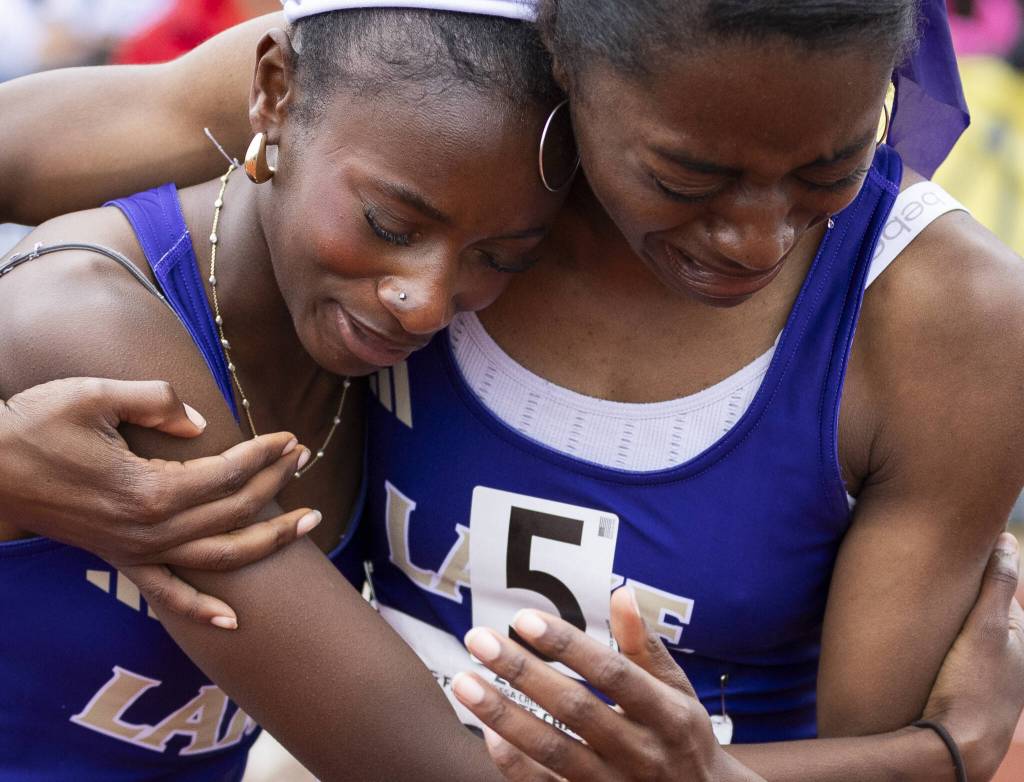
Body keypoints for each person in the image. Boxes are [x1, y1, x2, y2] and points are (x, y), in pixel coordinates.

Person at [2, 1, 1024, 781]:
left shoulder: (942, 319)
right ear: (575, 78)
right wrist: (939, 750)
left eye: (829, 166)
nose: (756, 236)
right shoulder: (412, 85)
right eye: (684, 176)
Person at [0, 2, 568, 780]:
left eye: (500, 257)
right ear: (272, 91)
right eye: (391, 225)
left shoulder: (378, 350)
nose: (428, 301)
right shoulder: (79, 316)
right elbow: (419, 765)